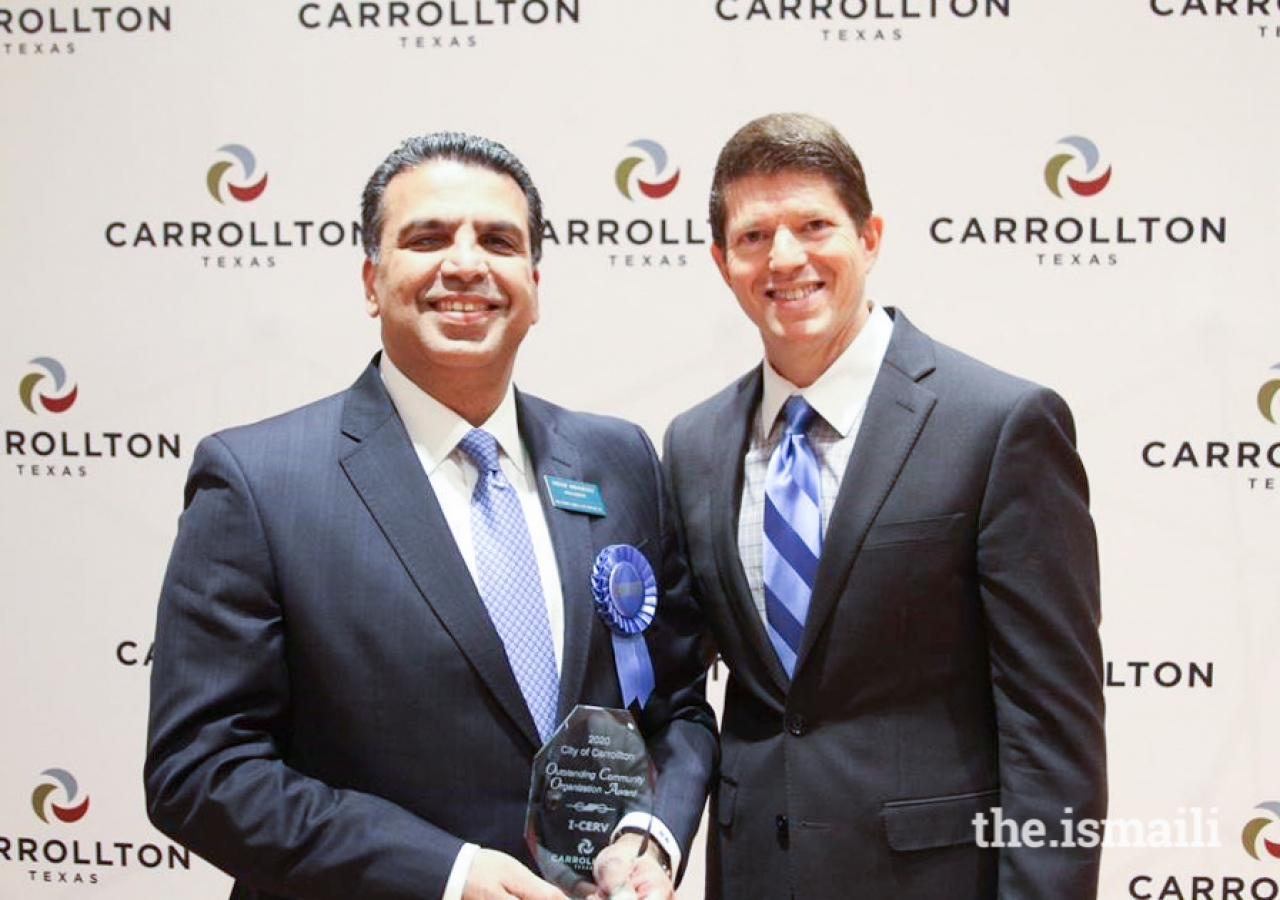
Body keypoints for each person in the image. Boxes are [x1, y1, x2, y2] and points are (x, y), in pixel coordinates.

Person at [144, 132, 716, 900]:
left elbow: (676, 705)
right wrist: (445, 875)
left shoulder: (617, 460)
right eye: (427, 237)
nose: (467, 263)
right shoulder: (258, 482)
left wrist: (652, 834)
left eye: (498, 241)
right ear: (371, 281)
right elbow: (201, 771)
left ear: (534, 285)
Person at [662, 113, 1106, 899]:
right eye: (755, 235)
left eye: (813, 225)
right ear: (721, 261)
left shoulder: (999, 425)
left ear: (869, 237)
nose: (786, 257)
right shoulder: (693, 445)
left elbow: (1052, 730)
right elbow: (676, 688)